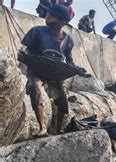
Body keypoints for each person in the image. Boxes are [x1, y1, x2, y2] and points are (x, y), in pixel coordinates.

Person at [22, 3, 74, 136]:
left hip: (55, 73)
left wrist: (75, 69)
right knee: (34, 87)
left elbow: (69, 59)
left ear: (61, 22)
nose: (47, 17)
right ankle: (42, 127)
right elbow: (27, 49)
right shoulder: (37, 31)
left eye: (52, 15)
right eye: (48, 14)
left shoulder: (68, 40)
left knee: (62, 94)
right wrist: (27, 57)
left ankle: (58, 129)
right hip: (37, 71)